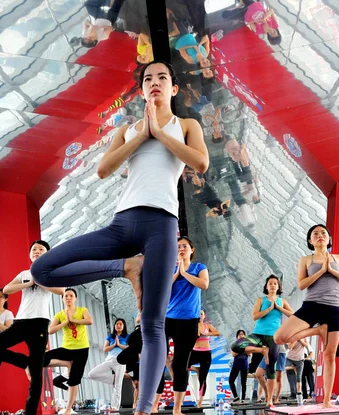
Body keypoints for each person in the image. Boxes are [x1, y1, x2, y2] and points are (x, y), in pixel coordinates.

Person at [30, 60, 209, 415]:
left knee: (153, 322)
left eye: (162, 78)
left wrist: (161, 134)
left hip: (162, 227)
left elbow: (200, 163)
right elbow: (102, 169)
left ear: (173, 88)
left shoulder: (186, 124)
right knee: (42, 271)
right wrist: (143, 134)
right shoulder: (127, 129)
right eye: (148, 79)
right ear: (141, 90)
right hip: (121, 225)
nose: (154, 82)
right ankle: (124, 267)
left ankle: (144, 410)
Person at [0, 241, 64, 415]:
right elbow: (7, 289)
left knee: (36, 370)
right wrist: (28, 283)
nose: (37, 251)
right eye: (34, 249)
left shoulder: (51, 272)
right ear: (30, 255)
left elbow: (61, 290)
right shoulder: (25, 273)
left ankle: (30, 411)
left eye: (41, 249)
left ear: (47, 254)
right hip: (21, 322)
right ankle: (23, 362)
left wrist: (41, 281)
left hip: (40, 322)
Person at [273, 224, 339, 407]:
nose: (320, 236)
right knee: (279, 337)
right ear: (310, 240)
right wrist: (321, 271)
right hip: (311, 305)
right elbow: (301, 285)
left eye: (323, 233)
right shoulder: (305, 260)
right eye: (315, 234)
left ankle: (326, 401)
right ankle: (317, 330)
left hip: (334, 308)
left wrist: (332, 271)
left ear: (329, 239)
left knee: (329, 356)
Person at [151, 237, 209, 415]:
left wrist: (185, 274)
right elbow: (163, 289)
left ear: (192, 249)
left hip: (189, 321)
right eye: (178, 247)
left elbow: (204, 284)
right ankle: (153, 404)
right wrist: (177, 273)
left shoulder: (199, 268)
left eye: (185, 246)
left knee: (180, 363)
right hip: (168, 319)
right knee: (158, 359)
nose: (181, 249)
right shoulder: (169, 268)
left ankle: (177, 409)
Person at [232, 275, 292, 407]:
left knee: (271, 369)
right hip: (258, 334)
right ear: (266, 286)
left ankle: (269, 399)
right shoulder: (260, 300)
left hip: (273, 337)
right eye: (270, 283)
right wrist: (269, 309)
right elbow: (255, 316)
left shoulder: (283, 301)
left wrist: (278, 308)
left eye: (275, 283)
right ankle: (261, 350)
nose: (272, 285)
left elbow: (292, 315)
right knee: (236, 345)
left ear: (278, 287)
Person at [43, 288, 93, 415]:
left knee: (73, 380)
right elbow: (50, 330)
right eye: (66, 296)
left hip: (82, 349)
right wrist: (65, 322)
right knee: (42, 358)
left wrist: (73, 320)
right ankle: (66, 364)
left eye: (71, 295)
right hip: (66, 348)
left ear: (75, 298)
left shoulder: (82, 310)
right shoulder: (59, 314)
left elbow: (89, 321)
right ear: (62, 299)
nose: (68, 298)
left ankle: (69, 409)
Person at [89, 319, 129, 411]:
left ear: (123, 326)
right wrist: (114, 344)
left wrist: (119, 345)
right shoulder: (110, 337)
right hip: (109, 360)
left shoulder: (127, 336)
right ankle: (113, 380)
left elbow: (130, 348)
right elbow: (105, 349)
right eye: (117, 324)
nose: (118, 325)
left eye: (120, 324)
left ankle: (115, 407)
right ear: (114, 326)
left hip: (121, 362)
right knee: (92, 374)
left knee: (117, 386)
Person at [188, 310, 220, 407]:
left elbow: (217, 333)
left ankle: (200, 402)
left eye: (201, 314)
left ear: (204, 316)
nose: (200, 315)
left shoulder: (208, 326)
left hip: (206, 353)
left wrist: (206, 334)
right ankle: (196, 369)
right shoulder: (193, 325)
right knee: (183, 366)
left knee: (202, 378)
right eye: (198, 314)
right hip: (195, 352)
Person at [229, 330, 250, 404]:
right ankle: (236, 397)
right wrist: (243, 350)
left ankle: (243, 398)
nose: (241, 335)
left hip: (244, 365)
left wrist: (240, 350)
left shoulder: (247, 344)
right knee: (231, 380)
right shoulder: (233, 344)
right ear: (237, 336)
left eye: (243, 334)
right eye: (239, 334)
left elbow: (249, 353)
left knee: (243, 383)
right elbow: (233, 354)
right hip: (236, 365)